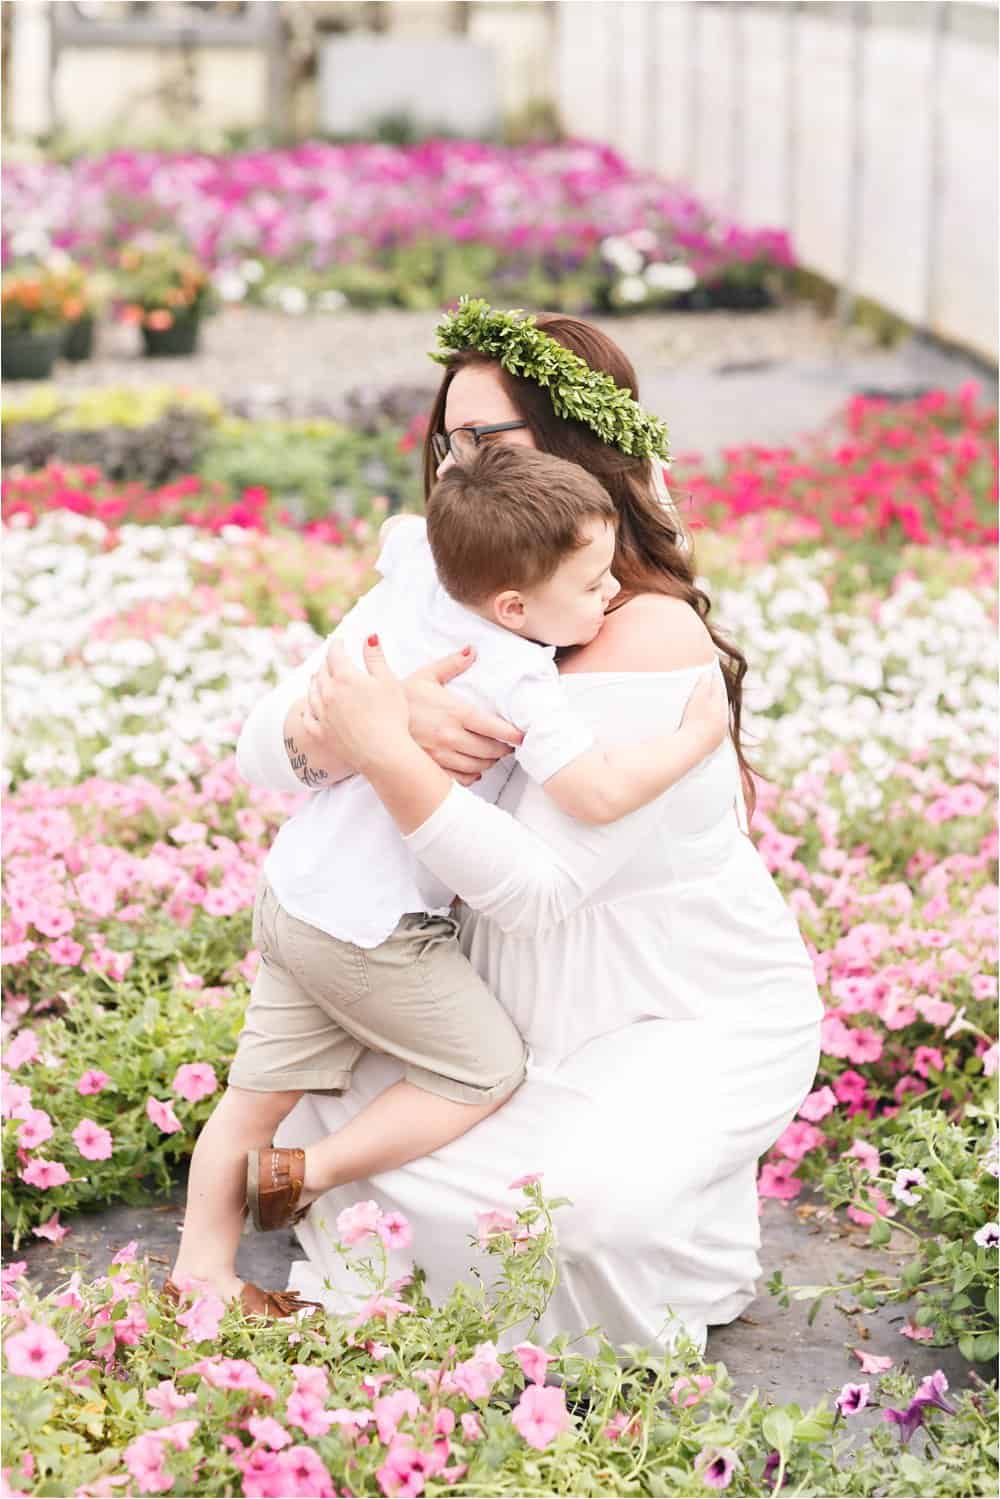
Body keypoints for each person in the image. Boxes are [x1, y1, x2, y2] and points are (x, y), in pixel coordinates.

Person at [237, 301, 824, 1352]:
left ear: (574, 450)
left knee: (566, 1215)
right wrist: (379, 713)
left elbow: (540, 888)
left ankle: (667, 1225)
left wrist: (390, 754)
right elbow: (254, 748)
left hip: (668, 998)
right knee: (312, 1108)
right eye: (447, 441)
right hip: (507, 996)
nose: (456, 467)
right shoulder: (452, 589)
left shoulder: (637, 625)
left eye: (487, 442)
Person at [165, 437, 725, 1318]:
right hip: (374, 931)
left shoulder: (415, 581)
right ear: (513, 604)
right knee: (485, 1068)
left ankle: (199, 1280)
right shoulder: (516, 672)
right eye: (590, 585)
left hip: (298, 892)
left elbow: (402, 534)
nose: (613, 593)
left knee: (247, 1102)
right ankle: (312, 1172)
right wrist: (697, 738)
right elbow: (592, 789)